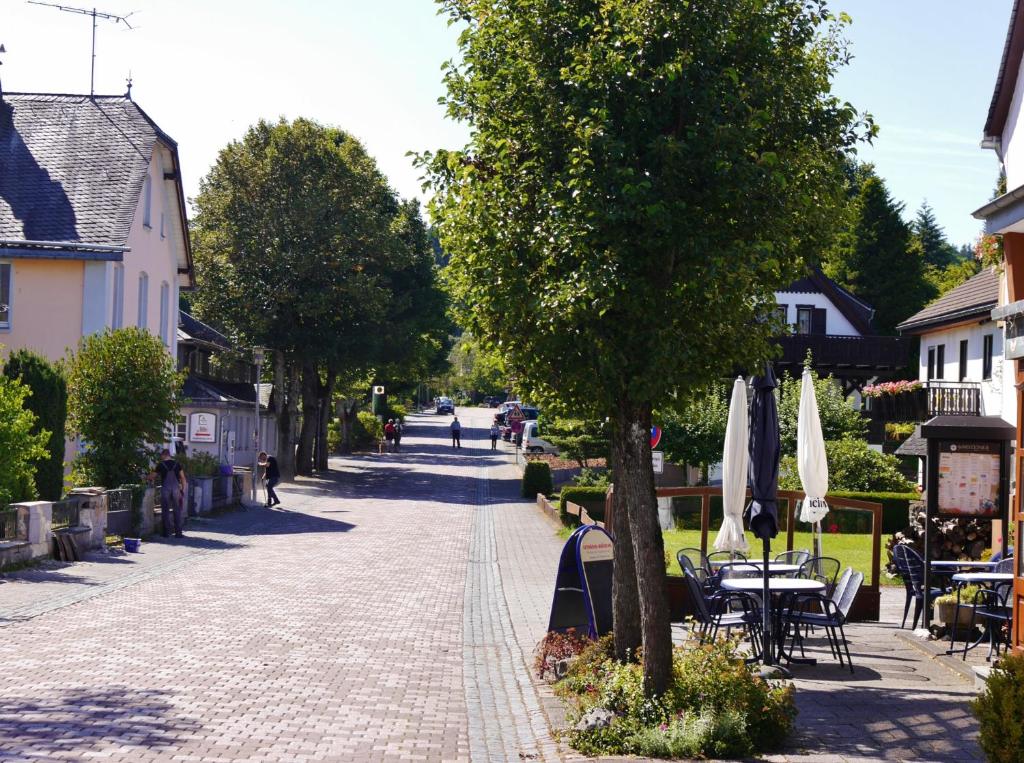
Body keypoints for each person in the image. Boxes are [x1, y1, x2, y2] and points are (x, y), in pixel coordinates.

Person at [151, 448, 187, 538]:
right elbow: (183, 478)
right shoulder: (177, 464)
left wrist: (146, 477)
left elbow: (153, 476)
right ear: (169, 455)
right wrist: (183, 490)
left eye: (161, 456)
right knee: (177, 510)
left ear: (164, 455)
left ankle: (166, 533)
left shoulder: (161, 465)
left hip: (165, 489)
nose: (161, 457)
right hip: (176, 489)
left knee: (165, 510)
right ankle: (178, 533)